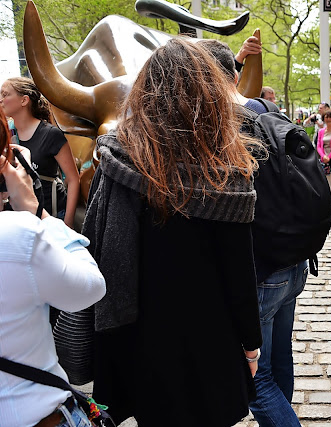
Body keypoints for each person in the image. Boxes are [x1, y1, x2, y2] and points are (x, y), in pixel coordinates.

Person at [84, 39, 263, 426]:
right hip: (208, 337)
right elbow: (239, 274)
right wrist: (251, 346)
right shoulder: (226, 167)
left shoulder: (115, 158)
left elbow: (95, 247)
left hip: (135, 335)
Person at [199, 38, 311, 427]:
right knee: (280, 357)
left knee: (256, 378)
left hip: (258, 268)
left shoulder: (216, 123)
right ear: (235, 74)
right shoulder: (266, 109)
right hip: (294, 259)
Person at [0, 109, 106, 427]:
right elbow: (91, 287)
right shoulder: (18, 235)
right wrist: (38, 213)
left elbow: (72, 177)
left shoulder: (51, 134)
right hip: (35, 413)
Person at [0, 77, 80, 228]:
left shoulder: (51, 134)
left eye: (5, 95)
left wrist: (67, 224)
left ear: (24, 100)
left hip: (51, 216)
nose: (1, 100)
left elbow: (73, 179)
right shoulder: (5, 134)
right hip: (17, 220)